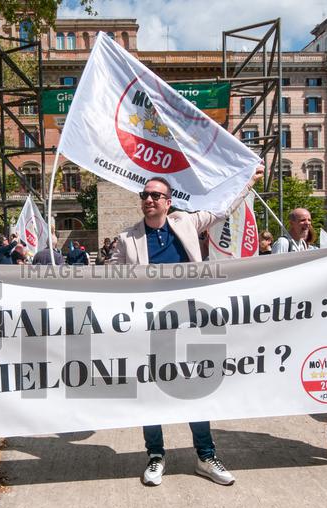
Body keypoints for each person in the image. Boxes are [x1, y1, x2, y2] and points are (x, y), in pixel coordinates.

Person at [110, 169, 262, 487]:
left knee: (195, 390)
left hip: (190, 323)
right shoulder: (127, 239)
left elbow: (222, 207)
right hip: (150, 327)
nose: (148, 199)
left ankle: (205, 456)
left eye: (155, 195)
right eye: (144, 195)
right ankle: (155, 456)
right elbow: (109, 279)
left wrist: (249, 181)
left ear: (168, 202)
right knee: (151, 394)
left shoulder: (186, 223)